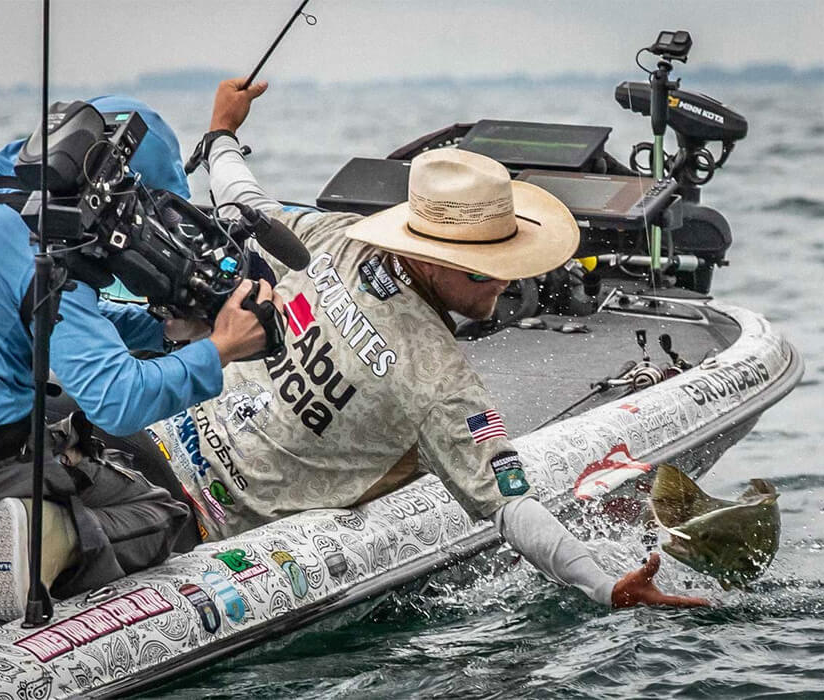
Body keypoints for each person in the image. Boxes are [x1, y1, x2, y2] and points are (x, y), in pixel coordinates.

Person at [149, 78, 708, 609]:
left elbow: (246, 203)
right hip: (187, 522)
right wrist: (604, 584)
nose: (508, 281)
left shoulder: (337, 239)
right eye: (485, 269)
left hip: (147, 443)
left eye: (506, 263)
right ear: (432, 258)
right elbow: (510, 506)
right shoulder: (439, 381)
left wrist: (221, 134)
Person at [0, 94, 282, 620]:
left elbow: (10, 312)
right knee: (163, 512)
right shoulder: (49, 250)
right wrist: (223, 347)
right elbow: (118, 403)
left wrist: (163, 330)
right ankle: (49, 540)